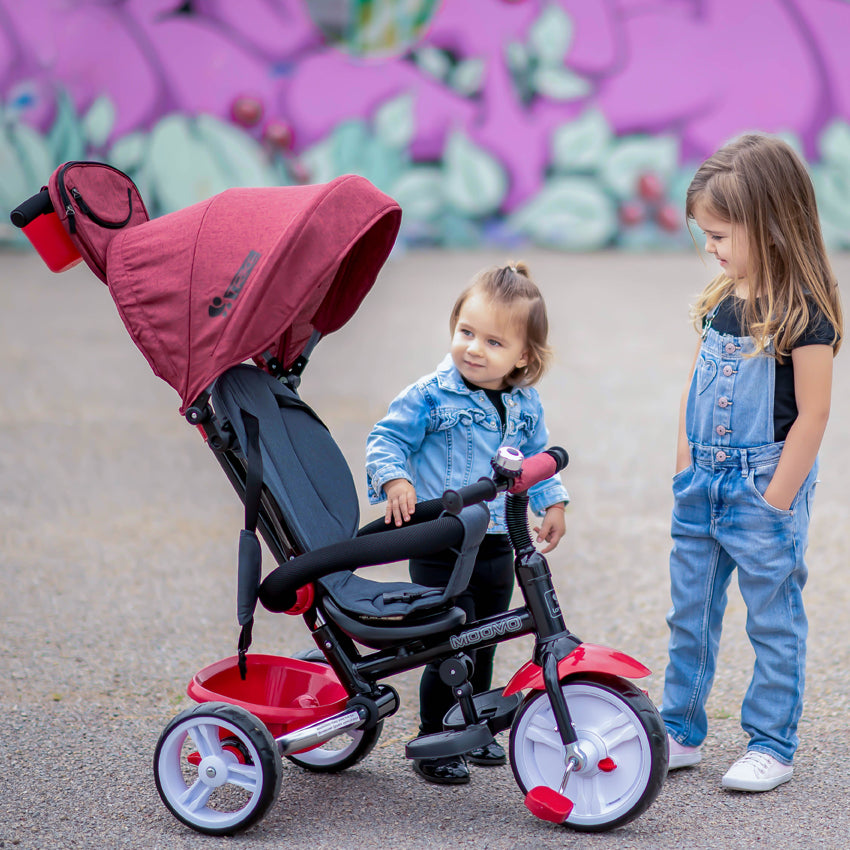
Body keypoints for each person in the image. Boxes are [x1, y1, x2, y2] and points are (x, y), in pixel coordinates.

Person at [661, 134, 843, 792]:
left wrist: (776, 501)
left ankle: (771, 743)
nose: (709, 247)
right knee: (690, 615)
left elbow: (814, 415)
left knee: (772, 620)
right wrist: (685, 469)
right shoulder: (721, 300)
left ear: (769, 224)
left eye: (719, 235)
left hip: (764, 489)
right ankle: (679, 730)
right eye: (705, 234)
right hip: (701, 485)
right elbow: (694, 387)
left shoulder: (804, 314)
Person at [366, 262, 569, 785]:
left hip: (499, 539)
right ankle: (435, 736)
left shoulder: (524, 403)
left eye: (493, 342)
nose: (474, 349)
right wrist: (395, 480)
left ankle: (471, 725)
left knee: (486, 636)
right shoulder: (431, 394)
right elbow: (386, 439)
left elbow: (535, 459)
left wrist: (553, 504)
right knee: (450, 641)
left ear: (523, 356)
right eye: (466, 332)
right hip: (443, 540)